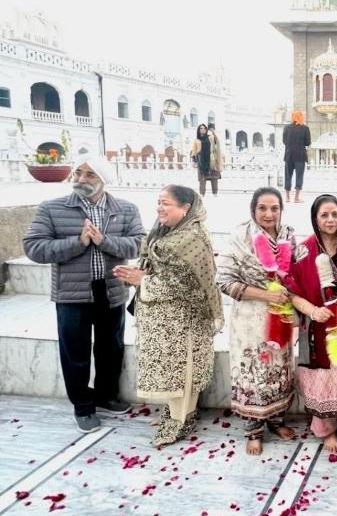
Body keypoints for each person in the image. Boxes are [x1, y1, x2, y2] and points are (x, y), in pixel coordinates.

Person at [23, 155, 145, 433]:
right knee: (74, 350)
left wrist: (104, 241)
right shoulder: (52, 209)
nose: (80, 179)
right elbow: (34, 247)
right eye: (78, 173)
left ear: (103, 179)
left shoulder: (125, 209)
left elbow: (139, 244)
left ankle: (105, 396)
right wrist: (78, 243)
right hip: (71, 293)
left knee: (110, 349)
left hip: (111, 290)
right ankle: (82, 405)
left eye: (90, 174)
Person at [114, 185, 223, 447]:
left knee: (182, 371)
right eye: (158, 203)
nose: (160, 208)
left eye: (166, 203)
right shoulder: (166, 231)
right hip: (162, 318)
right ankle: (178, 415)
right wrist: (137, 277)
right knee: (174, 372)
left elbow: (188, 284)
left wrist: (144, 280)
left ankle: (178, 422)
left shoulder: (192, 237)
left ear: (185, 208)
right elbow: (154, 266)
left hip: (184, 318)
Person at [216, 187, 303, 455]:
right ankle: (254, 430)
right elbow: (225, 281)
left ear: (281, 210)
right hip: (251, 318)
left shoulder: (288, 233)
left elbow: (297, 271)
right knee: (253, 371)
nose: (268, 214)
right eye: (262, 208)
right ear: (253, 210)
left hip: (281, 316)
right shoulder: (240, 236)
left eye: (274, 208)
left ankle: (276, 421)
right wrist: (266, 295)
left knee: (280, 368)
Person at [289, 194, 337, 453]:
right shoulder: (304, 250)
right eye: (324, 215)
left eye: (335, 214)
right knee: (322, 382)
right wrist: (311, 310)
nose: (331, 220)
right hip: (317, 329)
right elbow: (292, 290)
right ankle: (327, 430)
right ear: (315, 219)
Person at [282, 111, 311, 203]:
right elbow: (308, 143)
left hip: (289, 155)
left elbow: (284, 141)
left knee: (287, 176)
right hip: (300, 156)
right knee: (299, 176)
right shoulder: (305, 128)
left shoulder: (287, 128)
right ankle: (296, 198)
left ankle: (287, 198)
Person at [190, 123, 224, 197]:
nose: (202, 130)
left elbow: (216, 141)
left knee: (214, 179)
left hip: (212, 161)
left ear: (206, 130)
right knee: (202, 180)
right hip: (201, 161)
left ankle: (215, 194)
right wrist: (193, 161)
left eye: (204, 128)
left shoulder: (210, 137)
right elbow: (194, 151)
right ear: (198, 130)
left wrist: (213, 132)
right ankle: (202, 195)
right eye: (201, 128)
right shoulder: (196, 140)